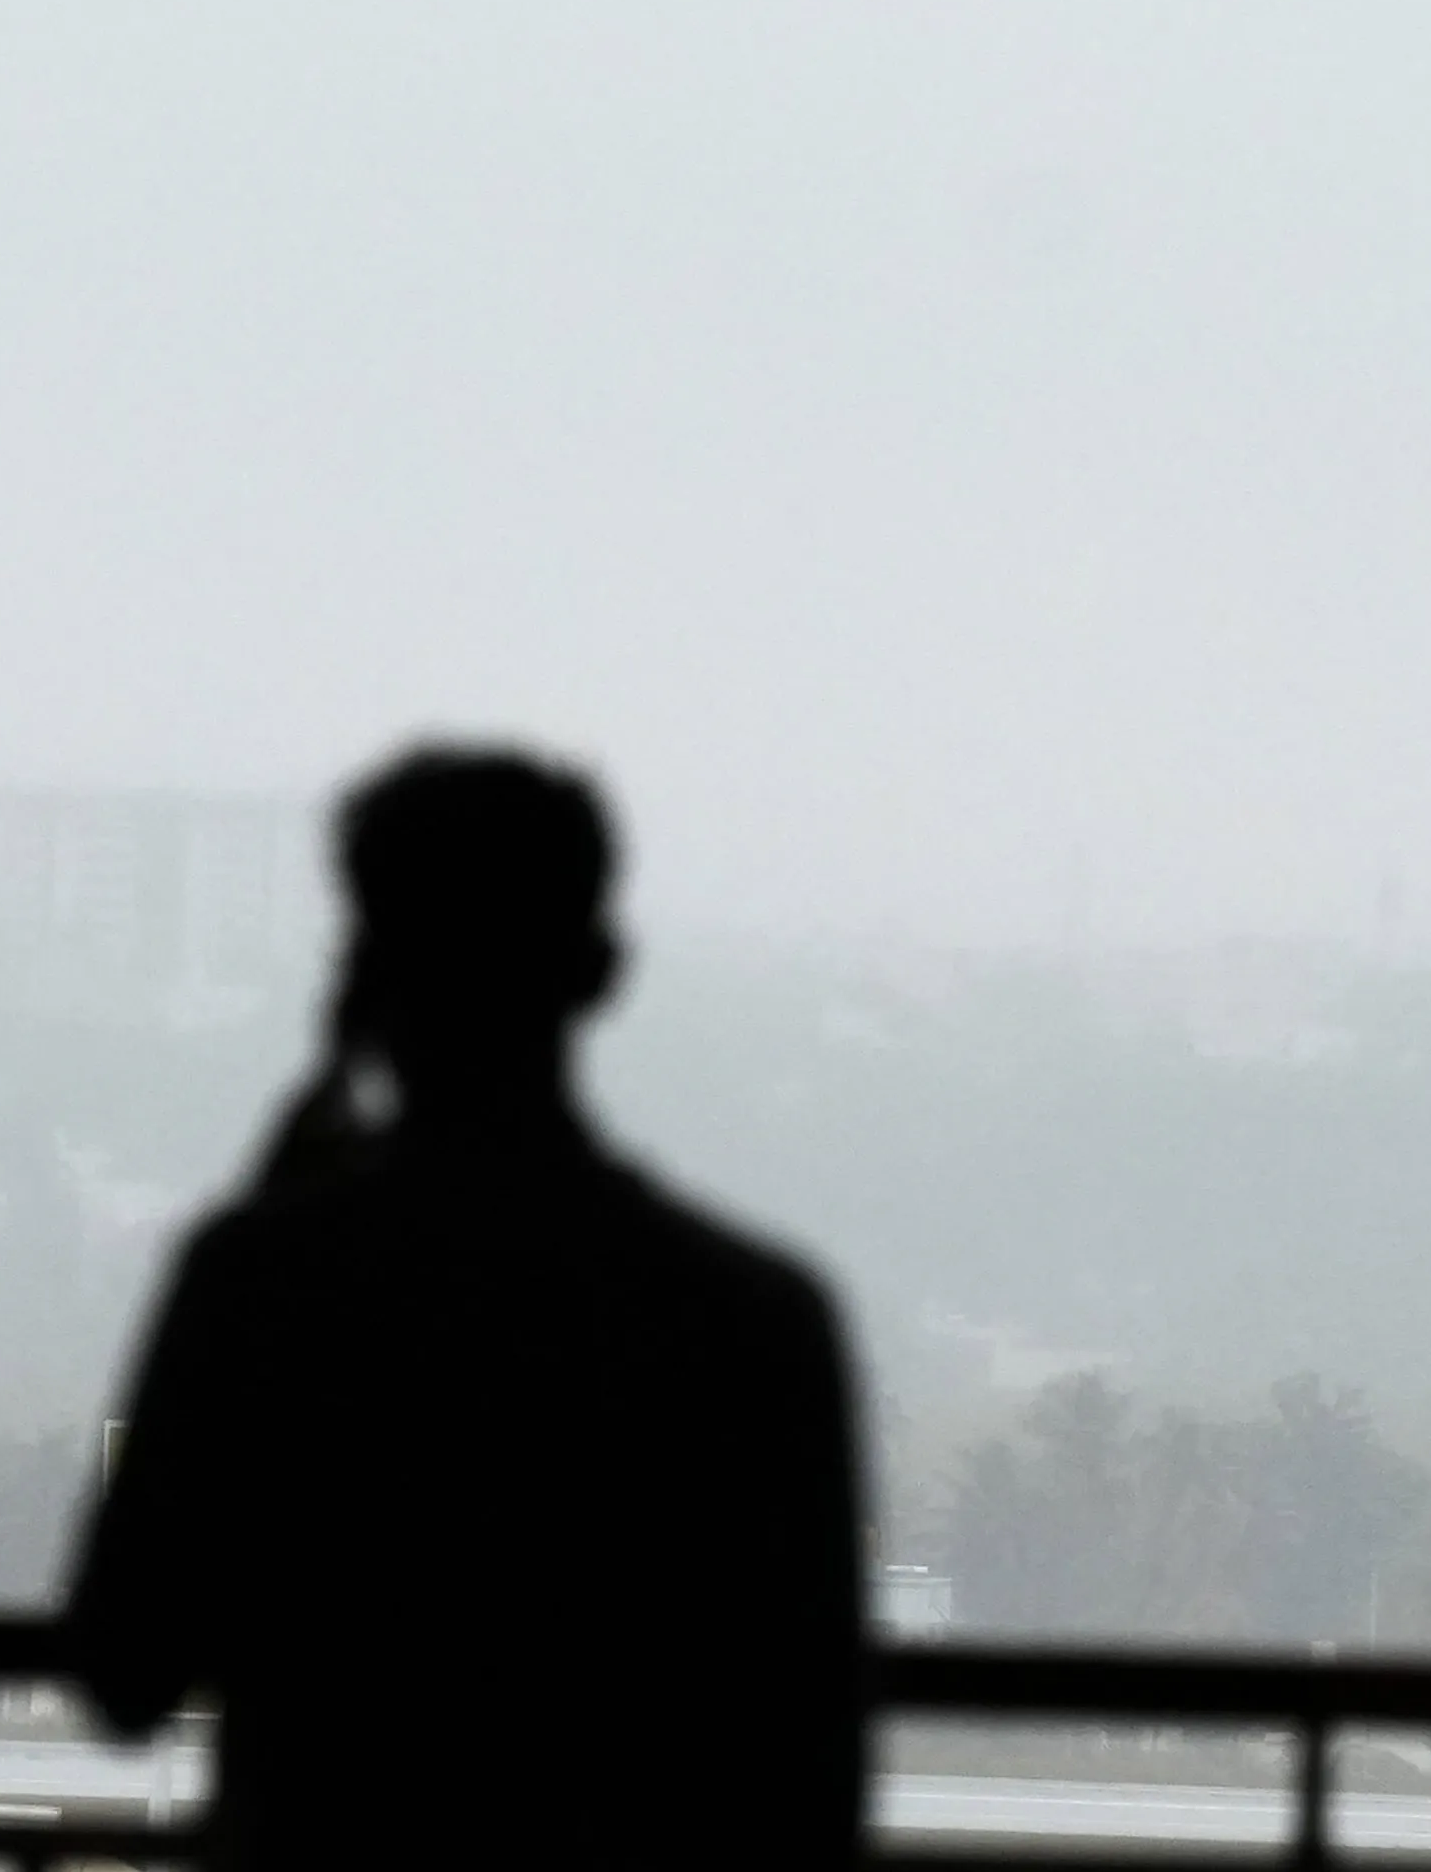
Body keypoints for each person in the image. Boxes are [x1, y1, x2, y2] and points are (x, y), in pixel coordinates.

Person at [69, 743, 869, 1872]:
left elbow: (124, 1667)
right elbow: (809, 1774)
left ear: (360, 977)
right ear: (598, 969)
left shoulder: (261, 1284)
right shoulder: (755, 1320)